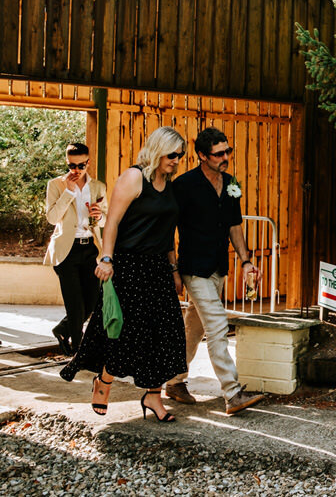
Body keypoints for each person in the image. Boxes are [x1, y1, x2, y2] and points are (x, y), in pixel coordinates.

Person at [60, 127, 188, 423]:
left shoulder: (168, 183)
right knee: (123, 333)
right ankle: (103, 383)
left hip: (158, 268)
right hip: (128, 266)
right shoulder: (134, 177)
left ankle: (153, 396)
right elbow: (113, 221)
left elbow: (168, 233)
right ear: (158, 150)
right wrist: (106, 259)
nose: (176, 160)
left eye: (180, 156)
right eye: (172, 155)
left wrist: (174, 269)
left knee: (164, 335)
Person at [164, 127, 264, 416]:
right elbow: (168, 231)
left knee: (194, 328)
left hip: (219, 266)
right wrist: (173, 269)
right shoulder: (183, 185)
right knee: (219, 326)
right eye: (219, 153)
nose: (225, 157)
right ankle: (232, 393)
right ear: (202, 156)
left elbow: (235, 226)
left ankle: (173, 381)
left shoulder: (231, 183)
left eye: (228, 151)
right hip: (193, 268)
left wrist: (246, 261)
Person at [43, 143, 107, 355]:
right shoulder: (56, 185)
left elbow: (106, 218)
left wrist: (100, 215)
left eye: (81, 165)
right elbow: (52, 218)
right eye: (72, 165)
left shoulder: (98, 186)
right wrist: (69, 193)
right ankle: (79, 351)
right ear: (67, 162)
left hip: (89, 248)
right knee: (75, 306)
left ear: (88, 163)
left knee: (92, 301)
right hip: (66, 251)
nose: (76, 170)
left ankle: (62, 330)